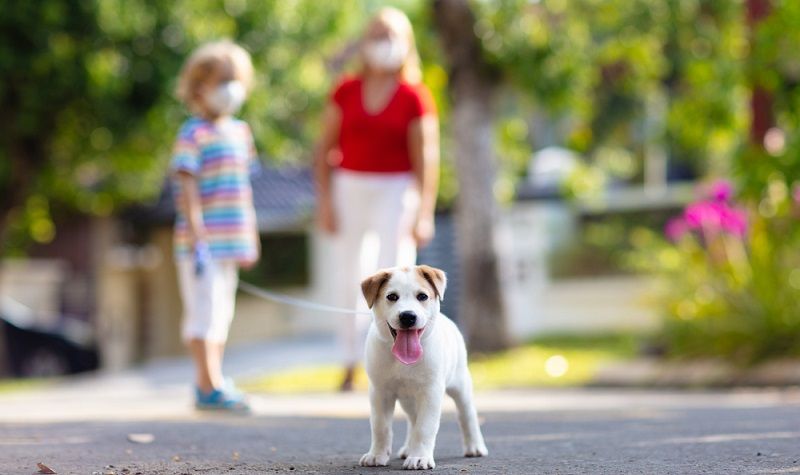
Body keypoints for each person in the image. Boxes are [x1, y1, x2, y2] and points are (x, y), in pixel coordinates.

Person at [314, 7, 440, 391]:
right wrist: (325, 202)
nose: (383, 44)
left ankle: (398, 359)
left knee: (396, 273)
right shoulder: (345, 90)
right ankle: (350, 362)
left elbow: (426, 158)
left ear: (406, 44)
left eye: (392, 36)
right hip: (349, 186)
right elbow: (323, 149)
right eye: (377, 35)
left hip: (397, 189)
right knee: (349, 276)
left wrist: (425, 211)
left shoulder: (414, 96)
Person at [171, 40, 260, 411]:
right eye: (222, 79)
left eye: (235, 79)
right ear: (199, 88)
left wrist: (250, 237)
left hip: (232, 241)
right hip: (201, 245)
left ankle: (211, 381)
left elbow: (244, 189)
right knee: (204, 313)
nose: (230, 87)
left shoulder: (241, 133)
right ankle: (209, 385)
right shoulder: (193, 134)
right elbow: (186, 185)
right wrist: (197, 231)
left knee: (222, 314)